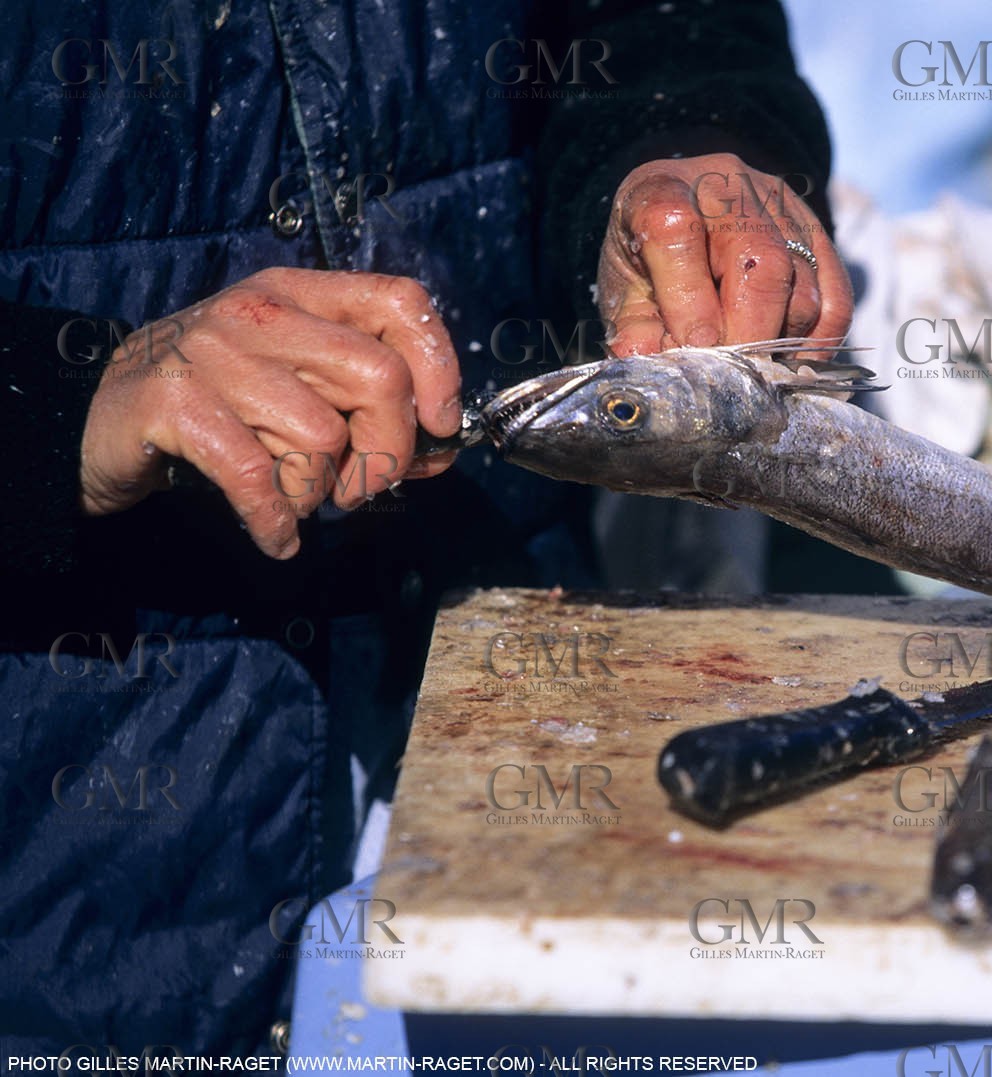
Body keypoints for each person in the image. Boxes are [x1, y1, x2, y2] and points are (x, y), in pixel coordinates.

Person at [0, 0, 850, 1055]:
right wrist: (54, 405)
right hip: (63, 891)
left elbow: (662, 31)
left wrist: (676, 147)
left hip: (514, 716)